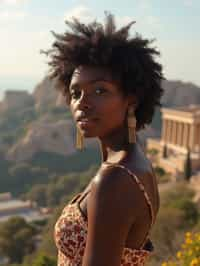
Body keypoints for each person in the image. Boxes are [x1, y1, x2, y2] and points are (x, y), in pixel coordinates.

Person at [46, 12, 164, 266]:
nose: (82, 103)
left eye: (100, 90)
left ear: (131, 100)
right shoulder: (134, 164)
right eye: (76, 93)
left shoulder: (114, 180)